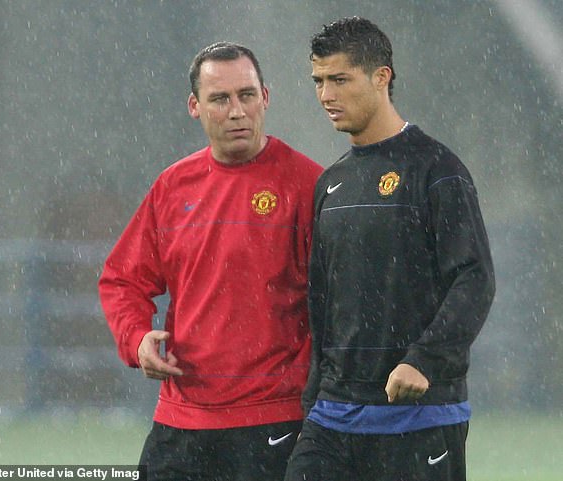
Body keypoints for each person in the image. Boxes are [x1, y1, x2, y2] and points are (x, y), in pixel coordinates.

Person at [98, 42, 323, 481]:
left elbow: (338, 304)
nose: (237, 111)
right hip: (180, 423)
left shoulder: (307, 184)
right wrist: (137, 338)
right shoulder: (173, 186)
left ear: (266, 98)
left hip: (273, 421)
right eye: (220, 99)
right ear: (194, 107)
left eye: (247, 95)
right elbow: (122, 279)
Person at [284, 17, 495, 481]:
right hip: (332, 417)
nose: (325, 96)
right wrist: (312, 400)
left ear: (382, 77)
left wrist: (425, 360)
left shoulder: (437, 169)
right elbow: (322, 304)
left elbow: (475, 277)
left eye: (340, 79)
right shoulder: (331, 183)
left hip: (418, 416)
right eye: (318, 81)